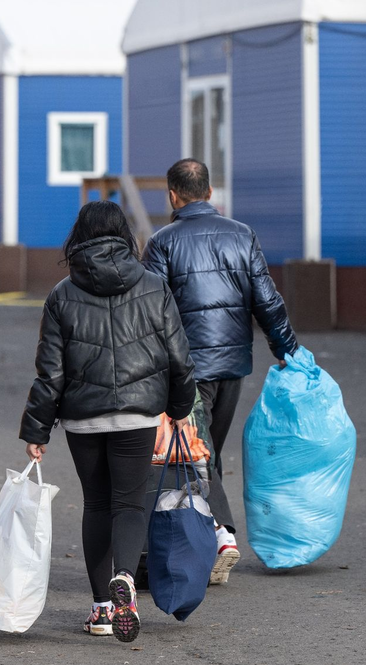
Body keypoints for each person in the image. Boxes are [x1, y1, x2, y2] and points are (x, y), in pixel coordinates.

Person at [21, 201, 196, 643]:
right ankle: (126, 578)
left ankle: (102, 609)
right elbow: (180, 359)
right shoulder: (154, 286)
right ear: (124, 234)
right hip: (139, 414)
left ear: (78, 236)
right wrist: (178, 409)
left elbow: (51, 372)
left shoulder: (62, 293)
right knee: (129, 504)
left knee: (96, 505)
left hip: (83, 419)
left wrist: (36, 430)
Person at [143, 158, 299, 585]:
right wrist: (288, 350)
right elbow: (267, 300)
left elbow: (150, 308)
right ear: (210, 193)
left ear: (172, 195)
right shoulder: (242, 235)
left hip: (187, 368)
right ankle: (209, 537)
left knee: (198, 453)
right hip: (233, 365)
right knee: (207, 450)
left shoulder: (162, 242)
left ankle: (222, 534)